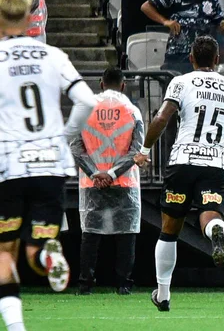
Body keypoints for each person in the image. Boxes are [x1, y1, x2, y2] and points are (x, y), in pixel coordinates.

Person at [133, 35, 224, 312]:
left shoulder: (181, 82)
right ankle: (216, 234)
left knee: (170, 229)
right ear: (217, 60)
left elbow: (161, 117)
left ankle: (163, 294)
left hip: (183, 162)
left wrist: (144, 149)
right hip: (214, 165)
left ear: (190, 59)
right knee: (210, 215)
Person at [0, 0, 97, 330]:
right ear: (30, 18)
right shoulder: (52, 55)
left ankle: (16, 328)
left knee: (3, 252)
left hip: (9, 166)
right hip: (51, 164)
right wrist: (64, 137)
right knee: (34, 251)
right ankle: (49, 256)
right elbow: (87, 102)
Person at [70, 68, 144, 296]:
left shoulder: (85, 108)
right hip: (125, 182)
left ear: (101, 83)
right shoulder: (132, 111)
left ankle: (85, 283)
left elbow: (75, 147)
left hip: (91, 182)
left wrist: (95, 173)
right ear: (123, 85)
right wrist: (112, 174)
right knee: (126, 235)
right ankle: (124, 284)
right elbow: (136, 149)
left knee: (90, 234)